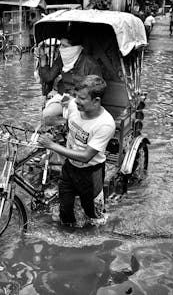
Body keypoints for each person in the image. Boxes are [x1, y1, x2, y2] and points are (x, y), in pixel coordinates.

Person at [38, 75, 116, 227]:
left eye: (82, 98)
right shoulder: (74, 105)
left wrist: (52, 145)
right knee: (65, 209)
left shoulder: (105, 124)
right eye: (76, 96)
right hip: (69, 168)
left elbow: (86, 156)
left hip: (91, 173)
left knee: (94, 215)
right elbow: (63, 111)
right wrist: (49, 126)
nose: (77, 101)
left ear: (96, 100)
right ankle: (66, 242)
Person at [37, 32, 102, 121]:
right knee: (46, 114)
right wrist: (43, 59)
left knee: (76, 117)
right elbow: (48, 77)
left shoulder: (91, 64)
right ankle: (62, 128)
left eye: (64, 46)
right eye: (60, 45)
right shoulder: (61, 59)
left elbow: (97, 91)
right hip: (65, 97)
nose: (60, 49)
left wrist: (75, 100)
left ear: (75, 48)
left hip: (84, 101)